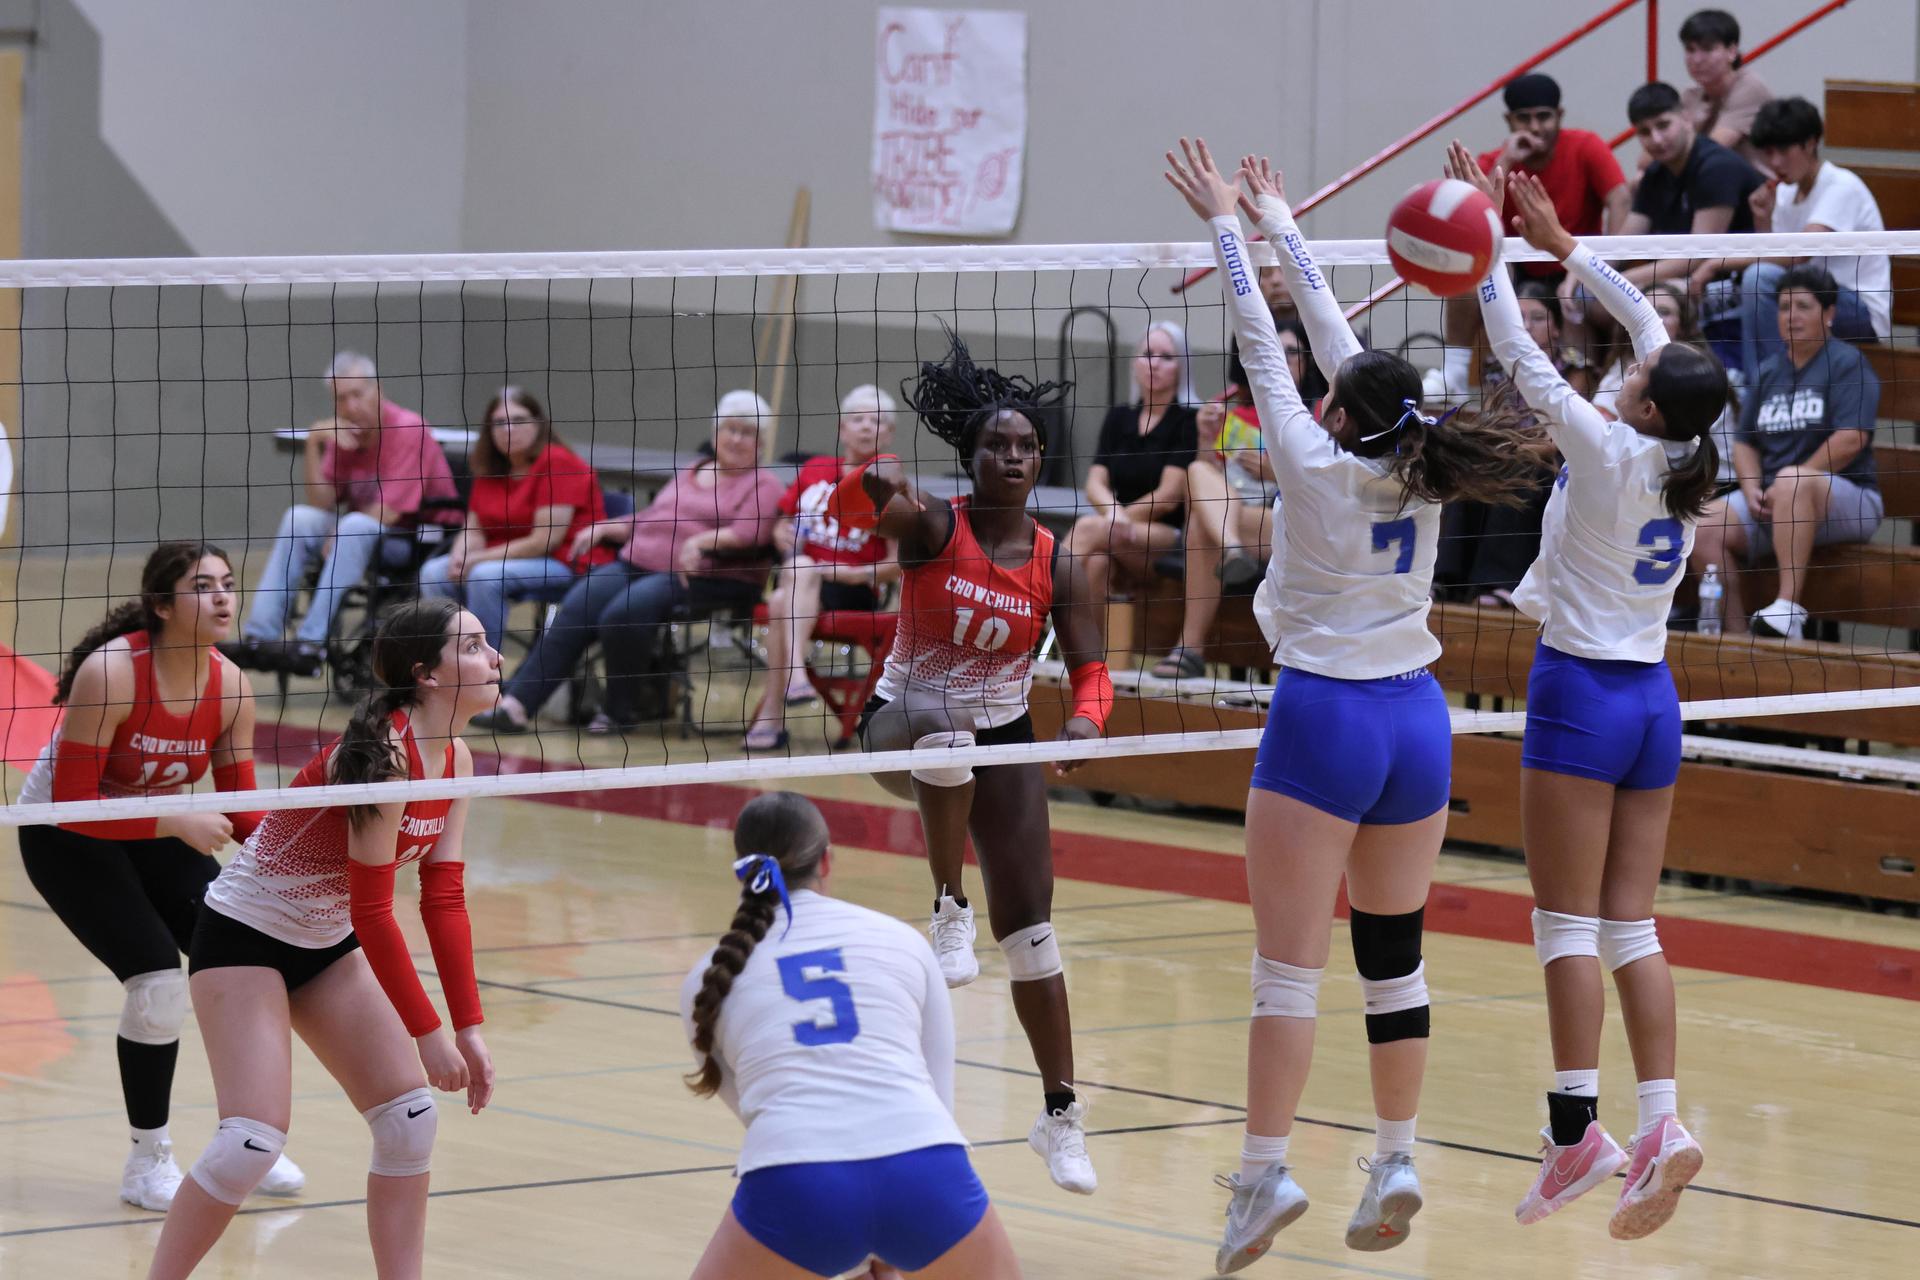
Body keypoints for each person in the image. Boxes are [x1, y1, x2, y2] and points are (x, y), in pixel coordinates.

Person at [1167, 139, 1552, 1271]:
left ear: (1337, 415)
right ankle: (1394, 1155)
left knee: (1286, 970)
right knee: (1395, 958)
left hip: (1324, 720)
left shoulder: (1310, 459)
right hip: (1415, 725)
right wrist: (1283, 221)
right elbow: (1343, 353)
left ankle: (1262, 1174)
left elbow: (1267, 339)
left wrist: (1230, 224)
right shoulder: (1421, 459)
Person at [1462, 157, 1727, 1239]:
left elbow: (1522, 359)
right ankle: (1659, 1121)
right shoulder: (1689, 446)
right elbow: (1638, 322)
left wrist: (1487, 252)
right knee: (1632, 924)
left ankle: (1578, 1129)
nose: (1629, 367)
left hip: (1580, 692)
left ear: (1645, 397)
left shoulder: (1612, 448)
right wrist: (1566, 247)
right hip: (1653, 700)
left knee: (1564, 922)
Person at [826, 324, 1112, 1196]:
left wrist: (1087, 727)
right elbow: (849, 508)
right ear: (974, 453)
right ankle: (947, 901)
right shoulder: (932, 526)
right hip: (898, 722)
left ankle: (1059, 1115)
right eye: (998, 444)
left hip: (1004, 736)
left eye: (1027, 446)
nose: (1015, 456)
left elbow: (1095, 672)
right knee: (947, 732)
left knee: (1033, 932)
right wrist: (875, 482)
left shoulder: (1062, 562)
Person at [146, 598, 499, 1280]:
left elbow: (444, 896)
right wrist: (427, 1032)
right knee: (251, 1140)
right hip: (243, 935)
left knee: (410, 1119)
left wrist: (470, 1026)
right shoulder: (382, 759)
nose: (497, 657)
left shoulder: (455, 756)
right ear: (427, 674)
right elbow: (374, 912)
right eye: (477, 645)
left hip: (322, 943)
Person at [14, 543, 305, 1210]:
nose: (225, 598)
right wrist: (174, 822)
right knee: (155, 983)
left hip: (159, 827)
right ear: (163, 605)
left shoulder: (230, 685)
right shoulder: (111, 673)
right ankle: (148, 1163)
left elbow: (242, 807)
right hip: (66, 834)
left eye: (229, 585)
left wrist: (296, 864)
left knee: (244, 966)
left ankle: (250, 1141)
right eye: (204, 587)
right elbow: (80, 806)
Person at [679, 791, 1022, 1279]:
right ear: (827, 860)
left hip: (799, 1181)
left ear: (741, 869)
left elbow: (758, 1113)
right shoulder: (903, 940)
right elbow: (937, 1096)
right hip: (925, 1171)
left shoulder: (704, 980)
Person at [470, 391, 785, 735]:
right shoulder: (693, 471)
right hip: (639, 560)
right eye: (730, 429)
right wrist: (607, 528)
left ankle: (619, 712)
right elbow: (652, 517)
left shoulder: (763, 484)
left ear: (762, 441)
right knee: (579, 604)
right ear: (715, 434)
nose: (736, 439)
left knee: (623, 612)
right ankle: (516, 706)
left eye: (747, 432)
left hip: (707, 574)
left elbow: (751, 533)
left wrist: (701, 541)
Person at [222, 352, 461, 677]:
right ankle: (259, 638)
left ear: (377, 390)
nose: (350, 406)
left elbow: (388, 512)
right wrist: (314, 442)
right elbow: (322, 503)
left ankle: (311, 643)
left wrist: (336, 535)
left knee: (353, 524)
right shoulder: (345, 434)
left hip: (417, 538)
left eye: (357, 395)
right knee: (298, 518)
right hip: (360, 533)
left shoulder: (409, 429)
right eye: (340, 399)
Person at [1687, 265, 1882, 639]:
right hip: (1782, 500)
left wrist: (1787, 484)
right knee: (1703, 524)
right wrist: (1751, 488)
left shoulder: (1848, 363)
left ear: (1828, 315)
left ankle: (1788, 608)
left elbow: (1852, 438)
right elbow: (1744, 442)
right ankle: (1735, 638)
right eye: (1783, 307)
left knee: (1794, 480)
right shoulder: (1767, 372)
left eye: (1803, 307)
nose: (1791, 316)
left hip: (1852, 498)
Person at [1440, 73, 1630, 399]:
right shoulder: (1491, 162)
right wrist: (1507, 160)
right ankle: (1454, 373)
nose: (1536, 127)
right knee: (1466, 275)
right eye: (1524, 118)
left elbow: (1620, 198)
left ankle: (1596, 397)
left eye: (1544, 116)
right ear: (1509, 121)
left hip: (1574, 261)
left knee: (1580, 301)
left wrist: (1601, 265)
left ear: (1560, 116)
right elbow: (1467, 221)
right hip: (1517, 268)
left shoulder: (1586, 146)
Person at [743, 386, 901, 752]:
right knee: (790, 585)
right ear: (842, 428)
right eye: (858, 419)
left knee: (791, 584)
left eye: (876, 421)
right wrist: (782, 534)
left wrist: (849, 574)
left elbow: (897, 563)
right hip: (801, 582)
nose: (866, 427)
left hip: (852, 587)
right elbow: (781, 524)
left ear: (889, 434)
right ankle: (793, 682)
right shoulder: (815, 470)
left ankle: (774, 710)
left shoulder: (890, 486)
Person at [417, 386, 610, 653]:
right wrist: (459, 557)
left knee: (484, 576)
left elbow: (545, 540)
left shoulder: (558, 462)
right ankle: (449, 658)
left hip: (564, 561)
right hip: (507, 558)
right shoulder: (491, 468)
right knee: (433, 572)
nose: (508, 429)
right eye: (499, 423)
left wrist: (477, 560)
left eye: (518, 420)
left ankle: (484, 669)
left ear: (539, 424)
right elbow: (474, 527)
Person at [1153, 326, 1298, 680]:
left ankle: (1190, 648)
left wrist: (1275, 473)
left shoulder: (1312, 413)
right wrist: (1205, 438)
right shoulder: (1229, 415)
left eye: (1292, 352)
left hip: (1289, 525)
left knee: (1206, 526)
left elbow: (1326, 490)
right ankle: (1230, 546)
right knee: (1198, 474)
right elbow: (1204, 489)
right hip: (1235, 519)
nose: (1281, 358)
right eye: (1269, 350)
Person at [1716, 96, 1889, 377]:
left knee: (1757, 279)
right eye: (1769, 153)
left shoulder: (1841, 186)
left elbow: (1798, 254)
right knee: (1751, 284)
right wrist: (1763, 220)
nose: (1775, 162)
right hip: (1806, 297)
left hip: (1858, 310)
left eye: (1784, 151)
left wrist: (1715, 264)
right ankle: (1759, 388)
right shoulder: (1784, 193)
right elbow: (1776, 260)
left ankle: (1771, 388)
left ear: (1810, 143)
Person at [1437, 282, 1582, 607]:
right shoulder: (1496, 367)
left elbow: (1558, 438)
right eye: (1520, 319)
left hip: (1556, 466)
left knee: (1517, 471)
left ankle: (1499, 583)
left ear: (1556, 328)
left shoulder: (1575, 369)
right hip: (1510, 455)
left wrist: (1507, 452)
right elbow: (1495, 426)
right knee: (1470, 472)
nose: (1528, 327)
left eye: (1538, 318)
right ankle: (1448, 579)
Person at [1063, 323, 1200, 650]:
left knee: (1088, 528)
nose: (1154, 363)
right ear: (1135, 362)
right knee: (1096, 562)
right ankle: (1092, 662)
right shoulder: (1119, 417)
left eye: (1165, 357)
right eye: (1147, 354)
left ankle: (1030, 605)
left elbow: (1168, 496)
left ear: (1181, 366)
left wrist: (1118, 520)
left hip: (1168, 538)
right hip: (1117, 533)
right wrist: (1114, 517)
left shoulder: (1189, 420)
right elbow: (1095, 481)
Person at [1620, 82, 1764, 291]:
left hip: (1730, 284)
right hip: (1680, 280)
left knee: (1637, 299)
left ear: (1687, 119)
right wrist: (1581, 273)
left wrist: (1621, 279)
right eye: (1644, 132)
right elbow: (1623, 244)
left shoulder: (1717, 167)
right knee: (1580, 298)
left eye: (1663, 125)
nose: (1656, 139)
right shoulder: (1655, 173)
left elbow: (1698, 256)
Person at [1595, 283, 1740, 482]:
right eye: (1650, 309)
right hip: (1646, 483)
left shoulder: (1700, 378)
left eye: (1664, 312)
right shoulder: (1624, 366)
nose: (1656, 319)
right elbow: (1598, 422)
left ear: (1683, 324)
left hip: (1713, 486)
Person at [1678, 8, 1773, 165]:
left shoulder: (1750, 88)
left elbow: (1711, 152)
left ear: (1732, 52)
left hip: (1758, 186)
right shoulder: (1690, 95)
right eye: (1690, 50)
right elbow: (1646, 159)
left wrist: (1692, 127)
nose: (1697, 59)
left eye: (1707, 49)